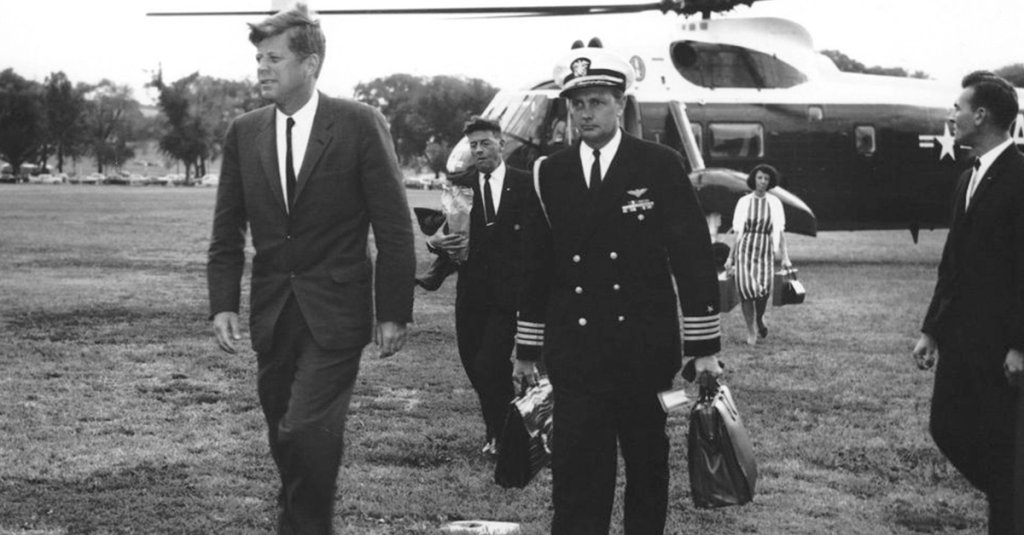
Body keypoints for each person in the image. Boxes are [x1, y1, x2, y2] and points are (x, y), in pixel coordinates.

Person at [206, 4, 415, 533]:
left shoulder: (359, 123)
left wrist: (393, 312)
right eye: (258, 58)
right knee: (283, 431)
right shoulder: (244, 131)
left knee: (305, 429)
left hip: (337, 311)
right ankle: (300, 517)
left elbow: (392, 226)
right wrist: (224, 303)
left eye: (273, 57)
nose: (261, 68)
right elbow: (227, 229)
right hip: (273, 314)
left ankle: (302, 527)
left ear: (311, 63)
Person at [513, 42, 724, 534]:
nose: (585, 114)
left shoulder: (659, 164)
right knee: (577, 476)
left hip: (642, 351)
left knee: (646, 470)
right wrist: (527, 348)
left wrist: (704, 348)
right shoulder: (550, 173)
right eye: (576, 104)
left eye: (597, 102)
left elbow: (693, 260)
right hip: (576, 352)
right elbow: (536, 267)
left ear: (621, 106)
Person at [911, 71, 1024, 535]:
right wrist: (930, 329)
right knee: (947, 427)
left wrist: (1020, 344)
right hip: (960, 337)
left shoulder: (1021, 176)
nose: (951, 115)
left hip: (1002, 346)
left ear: (981, 115)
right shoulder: (966, 178)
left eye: (958, 107)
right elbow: (951, 263)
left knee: (1002, 441)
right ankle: (1010, 495)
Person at [426, 117, 532, 455]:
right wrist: (436, 241)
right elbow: (441, 233)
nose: (478, 150)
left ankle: (505, 435)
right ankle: (498, 432)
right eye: (473, 145)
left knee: (490, 363)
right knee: (476, 366)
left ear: (501, 143)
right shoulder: (460, 185)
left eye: (485, 143)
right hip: (471, 293)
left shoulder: (526, 183)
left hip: (509, 295)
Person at [724, 163, 792, 346]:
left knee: (763, 292)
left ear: (770, 182)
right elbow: (737, 231)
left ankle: (760, 318)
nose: (762, 181)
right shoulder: (743, 202)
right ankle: (751, 330)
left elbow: (780, 231)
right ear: (754, 179)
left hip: (765, 251)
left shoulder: (775, 203)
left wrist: (785, 256)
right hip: (745, 251)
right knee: (746, 291)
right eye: (760, 177)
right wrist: (730, 257)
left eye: (766, 179)